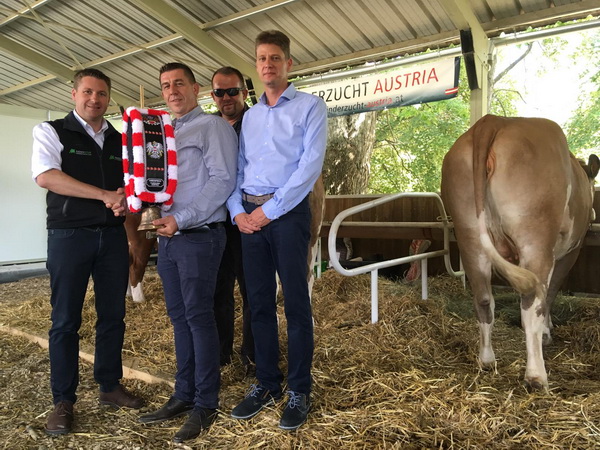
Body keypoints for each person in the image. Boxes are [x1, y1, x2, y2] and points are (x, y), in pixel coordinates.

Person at [31, 68, 144, 436]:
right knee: (65, 320)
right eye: (88, 92)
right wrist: (104, 195)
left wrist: (128, 198)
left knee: (113, 315)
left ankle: (109, 385)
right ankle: (63, 401)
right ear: (74, 94)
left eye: (102, 94)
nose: (95, 99)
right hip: (69, 237)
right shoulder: (52, 131)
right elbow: (47, 176)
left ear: (109, 98)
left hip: (111, 238)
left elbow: (130, 181)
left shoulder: (119, 138)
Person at [227, 30, 327, 431]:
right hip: (249, 217)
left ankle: (299, 388)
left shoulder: (309, 108)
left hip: (286, 215)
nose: (267, 64)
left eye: (275, 58)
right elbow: (239, 171)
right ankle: (267, 383)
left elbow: (309, 168)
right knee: (259, 305)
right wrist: (238, 212)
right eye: (261, 59)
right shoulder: (250, 117)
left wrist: (268, 211)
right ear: (256, 67)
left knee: (297, 305)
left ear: (288, 63)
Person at [138, 62, 238, 443]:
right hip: (168, 237)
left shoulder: (212, 127)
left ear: (196, 88)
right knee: (179, 317)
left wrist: (181, 218)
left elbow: (222, 180)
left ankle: (206, 402)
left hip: (198, 234)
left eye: (179, 83)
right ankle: (183, 394)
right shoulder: (162, 132)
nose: (172, 91)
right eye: (165, 85)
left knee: (198, 316)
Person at [210, 66, 255, 373]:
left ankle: (251, 355)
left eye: (232, 91)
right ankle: (220, 352)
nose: (225, 98)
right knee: (217, 289)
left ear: (244, 92)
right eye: (219, 92)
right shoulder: (208, 126)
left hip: (248, 219)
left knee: (252, 289)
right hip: (214, 220)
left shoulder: (258, 123)